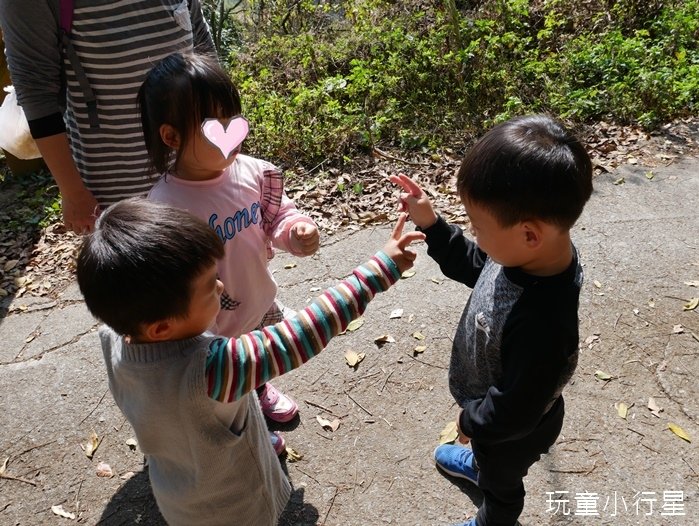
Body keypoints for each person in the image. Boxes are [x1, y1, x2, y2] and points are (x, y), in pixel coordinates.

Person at [76, 198, 424, 526]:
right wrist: (379, 268)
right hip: (235, 506)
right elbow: (302, 334)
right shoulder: (212, 369)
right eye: (209, 287)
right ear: (162, 327)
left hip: (176, 495)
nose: (221, 284)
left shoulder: (113, 336)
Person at [391, 114, 593, 526]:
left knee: (503, 482)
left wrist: (471, 422)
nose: (474, 234)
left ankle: (493, 517)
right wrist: (431, 224)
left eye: (478, 227)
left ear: (529, 234)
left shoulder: (544, 322)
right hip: (496, 411)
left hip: (514, 431)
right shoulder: (526, 255)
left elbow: (514, 409)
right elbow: (475, 265)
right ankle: (481, 463)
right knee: (490, 459)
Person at [139, 51, 320, 452]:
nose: (230, 131)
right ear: (171, 137)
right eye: (212, 124)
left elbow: (278, 217)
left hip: (255, 300)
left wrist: (296, 231)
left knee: (255, 359)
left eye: (232, 118)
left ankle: (258, 391)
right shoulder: (165, 206)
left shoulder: (254, 172)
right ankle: (246, 425)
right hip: (209, 323)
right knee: (225, 379)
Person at [0, 0, 214, 233]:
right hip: (118, 195)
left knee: (204, 264)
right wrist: (73, 192)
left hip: (197, 175)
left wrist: (221, 153)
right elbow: (36, 93)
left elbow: (205, 52)